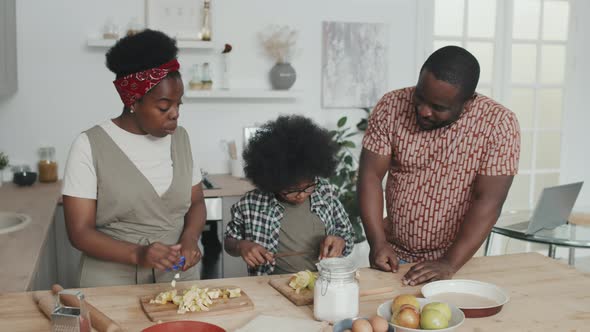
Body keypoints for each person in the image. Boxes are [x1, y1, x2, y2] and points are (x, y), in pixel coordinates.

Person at [358, 46, 520, 286]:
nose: (424, 111)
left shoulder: (500, 125)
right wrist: (378, 242)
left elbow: (488, 201)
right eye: (420, 97)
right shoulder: (391, 105)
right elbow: (370, 176)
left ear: (468, 103)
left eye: (439, 107)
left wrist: (449, 263)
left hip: (459, 262)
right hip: (393, 257)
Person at [62, 30, 206, 287]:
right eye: (164, 107)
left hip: (177, 280)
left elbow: (196, 203)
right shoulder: (89, 146)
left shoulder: (181, 139)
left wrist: (190, 239)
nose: (174, 114)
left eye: (178, 105)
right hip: (111, 284)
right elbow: (80, 233)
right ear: (133, 100)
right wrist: (138, 253)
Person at [224, 115, 354, 276]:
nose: (301, 195)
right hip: (271, 287)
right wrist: (241, 246)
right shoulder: (251, 204)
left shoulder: (325, 192)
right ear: (272, 182)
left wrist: (340, 241)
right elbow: (229, 240)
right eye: (291, 190)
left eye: (308, 187)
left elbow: (347, 234)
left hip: (322, 281)